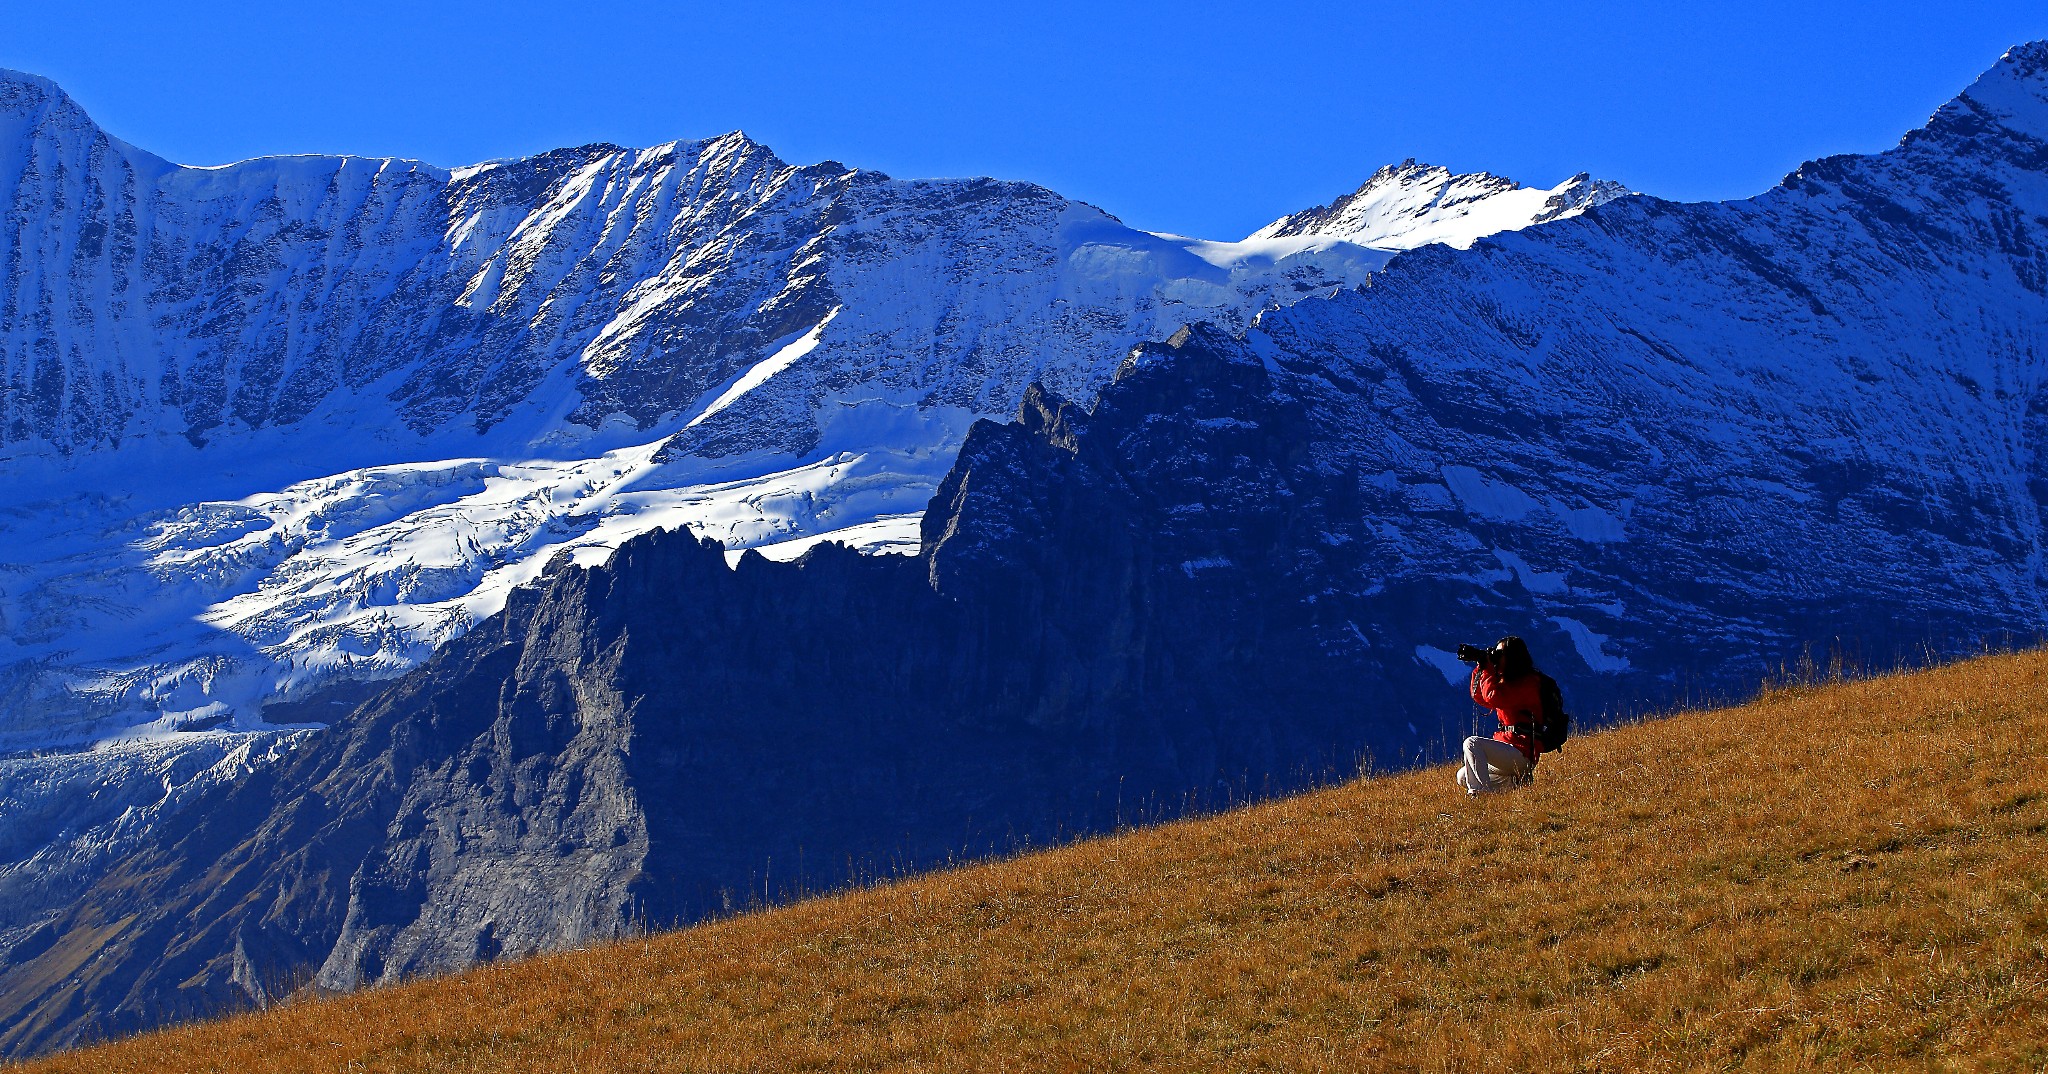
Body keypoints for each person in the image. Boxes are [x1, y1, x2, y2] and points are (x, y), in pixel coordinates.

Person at [1456, 636, 1549, 794]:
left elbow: (1493, 697)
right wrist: (1482, 665)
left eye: (1500, 655)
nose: (1496, 659)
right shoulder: (1506, 682)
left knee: (1472, 743)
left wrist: (1487, 668)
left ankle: (1479, 794)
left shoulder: (1528, 683)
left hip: (1522, 753)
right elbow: (1479, 696)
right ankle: (1514, 782)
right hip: (1507, 751)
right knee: (1463, 776)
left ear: (1512, 658)